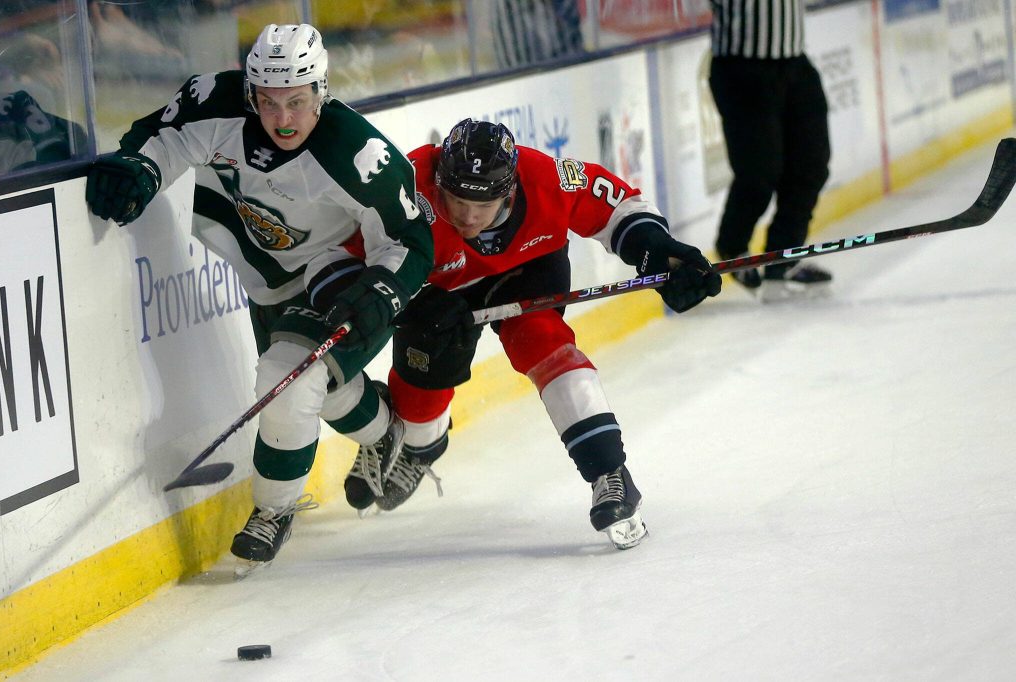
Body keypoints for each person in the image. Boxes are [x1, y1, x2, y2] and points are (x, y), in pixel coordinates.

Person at [84, 23, 433, 565]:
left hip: (337, 270)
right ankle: (385, 429)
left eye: (297, 101)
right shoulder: (217, 103)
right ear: (251, 94)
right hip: (265, 276)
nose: (283, 119)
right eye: (268, 103)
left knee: (285, 379)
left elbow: (410, 238)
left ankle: (273, 510)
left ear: (322, 91)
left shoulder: (357, 154)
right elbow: (166, 137)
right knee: (318, 383)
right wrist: (143, 169)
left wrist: (384, 290)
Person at [344, 118, 722, 549]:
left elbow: (617, 207)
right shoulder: (407, 185)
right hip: (439, 295)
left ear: (509, 188)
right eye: (456, 200)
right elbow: (353, 260)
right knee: (424, 377)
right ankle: (420, 445)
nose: (467, 216)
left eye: (482, 205)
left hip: (526, 274)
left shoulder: (544, 177)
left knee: (546, 345)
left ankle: (609, 474)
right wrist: (411, 301)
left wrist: (657, 248)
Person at [708, 0, 832, 300]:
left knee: (811, 166)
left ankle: (783, 258)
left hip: (794, 62)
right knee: (759, 173)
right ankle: (732, 246)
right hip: (742, 66)